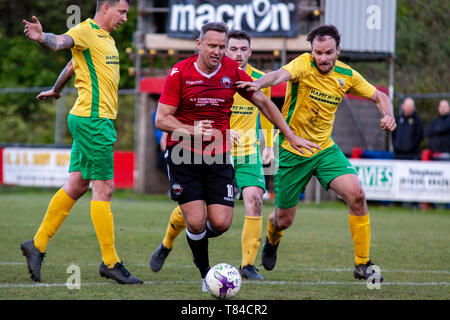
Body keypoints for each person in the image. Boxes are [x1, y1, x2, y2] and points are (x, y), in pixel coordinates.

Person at [155, 22, 320, 291]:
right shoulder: (179, 73)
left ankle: (193, 238)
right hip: (184, 152)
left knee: (220, 223)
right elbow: (162, 119)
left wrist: (289, 136)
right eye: (213, 45)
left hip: (218, 155)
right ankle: (206, 275)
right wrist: (192, 130)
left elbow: (264, 103)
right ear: (199, 45)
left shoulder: (233, 72)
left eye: (222, 47)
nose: (218, 51)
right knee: (196, 221)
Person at [237, 24, 396, 282]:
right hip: (291, 150)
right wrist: (256, 84)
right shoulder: (303, 64)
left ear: (338, 51)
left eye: (328, 53)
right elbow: (278, 75)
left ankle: (362, 264)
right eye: (318, 53)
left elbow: (379, 96)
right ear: (311, 51)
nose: (322, 58)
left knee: (357, 194)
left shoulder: (347, 75)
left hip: (324, 149)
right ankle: (272, 234)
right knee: (284, 220)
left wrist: (388, 114)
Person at [20, 0, 142, 284]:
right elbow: (60, 42)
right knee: (105, 188)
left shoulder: (106, 40)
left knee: (76, 185)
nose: (125, 18)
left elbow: (74, 65)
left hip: (91, 119)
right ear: (107, 7)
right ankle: (111, 262)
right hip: (93, 121)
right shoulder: (85, 31)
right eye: (122, 12)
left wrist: (55, 89)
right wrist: (42, 38)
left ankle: (36, 245)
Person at [149, 30, 275, 281]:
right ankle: (168, 242)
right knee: (195, 215)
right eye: (233, 49)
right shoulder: (214, 73)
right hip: (211, 148)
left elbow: (266, 112)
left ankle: (247, 265)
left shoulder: (258, 81)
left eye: (243, 50)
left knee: (253, 199)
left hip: (247, 149)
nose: (237, 54)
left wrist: (270, 145)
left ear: (250, 53)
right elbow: (179, 115)